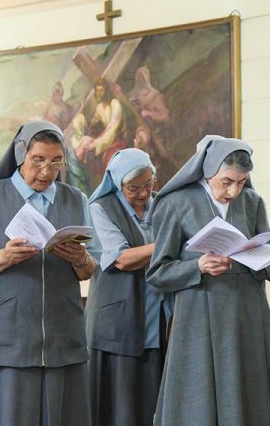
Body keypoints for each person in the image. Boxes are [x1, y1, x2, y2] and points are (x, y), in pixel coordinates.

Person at [146, 135, 270, 426]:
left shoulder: (252, 202)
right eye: (226, 182)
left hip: (247, 312)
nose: (234, 191)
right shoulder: (177, 203)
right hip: (199, 315)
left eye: (241, 182)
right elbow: (157, 273)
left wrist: (257, 259)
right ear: (208, 170)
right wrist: (197, 266)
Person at [0, 120, 95, 426]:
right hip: (6, 336)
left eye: (56, 161)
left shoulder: (77, 199)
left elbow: (89, 270)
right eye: (38, 160)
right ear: (21, 154)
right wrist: (5, 255)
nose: (47, 171)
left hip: (61, 335)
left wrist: (79, 257)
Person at [85, 148, 171, 426]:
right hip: (117, 321)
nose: (144, 194)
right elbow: (121, 259)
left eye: (149, 184)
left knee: (155, 401)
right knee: (120, 407)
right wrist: (168, 244)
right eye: (134, 188)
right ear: (117, 183)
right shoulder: (100, 208)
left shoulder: (162, 205)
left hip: (157, 318)